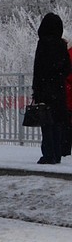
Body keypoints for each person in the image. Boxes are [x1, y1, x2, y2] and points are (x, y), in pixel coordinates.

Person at [31, 12, 71, 163]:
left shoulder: (43, 44)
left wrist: (36, 89)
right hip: (59, 89)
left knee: (46, 122)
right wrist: (58, 74)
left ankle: (48, 155)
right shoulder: (62, 45)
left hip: (45, 89)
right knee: (57, 122)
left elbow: (38, 68)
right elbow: (67, 68)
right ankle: (57, 154)